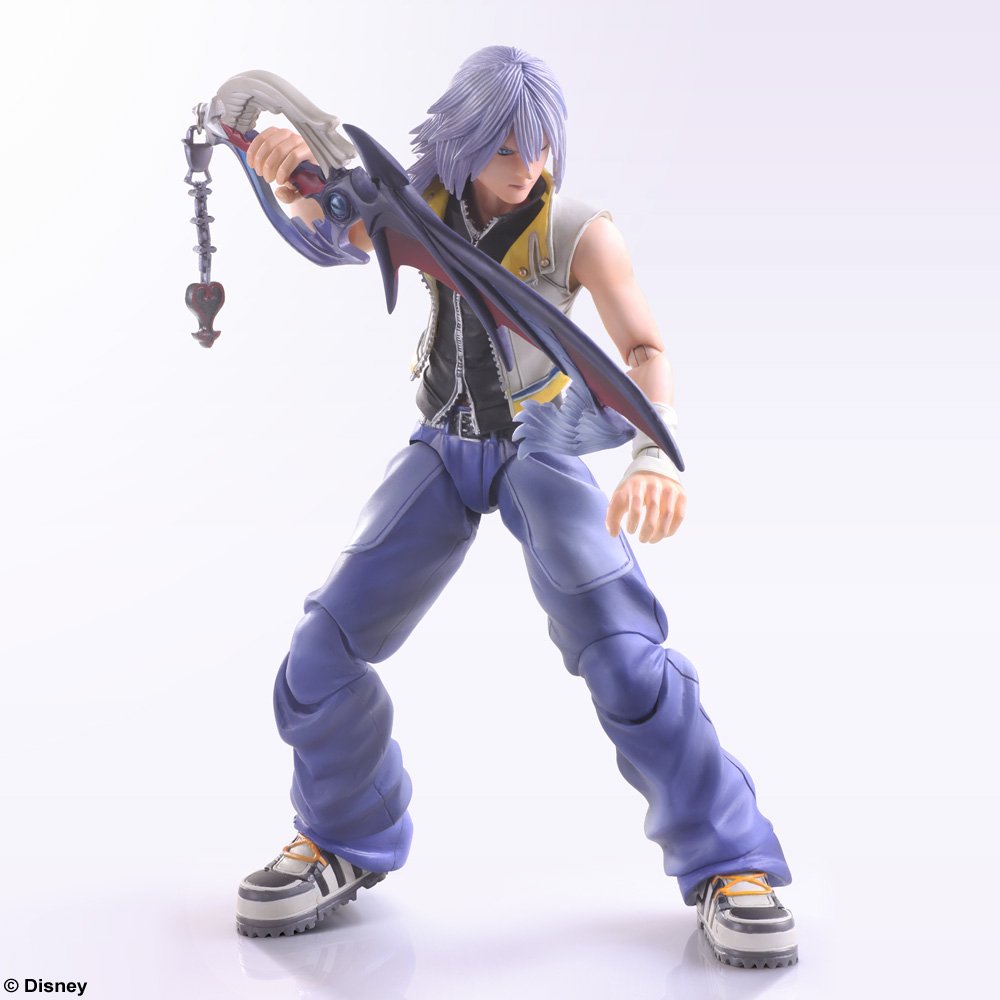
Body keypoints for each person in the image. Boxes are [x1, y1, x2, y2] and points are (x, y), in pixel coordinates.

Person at [233, 46, 796, 968]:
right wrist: (283, 169)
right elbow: (335, 229)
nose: (526, 166)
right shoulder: (420, 205)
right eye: (504, 146)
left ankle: (732, 860)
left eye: (538, 146)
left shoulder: (577, 231)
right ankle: (343, 834)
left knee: (626, 659)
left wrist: (653, 455)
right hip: (444, 445)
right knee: (320, 652)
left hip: (544, 448)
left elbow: (644, 348)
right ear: (462, 138)